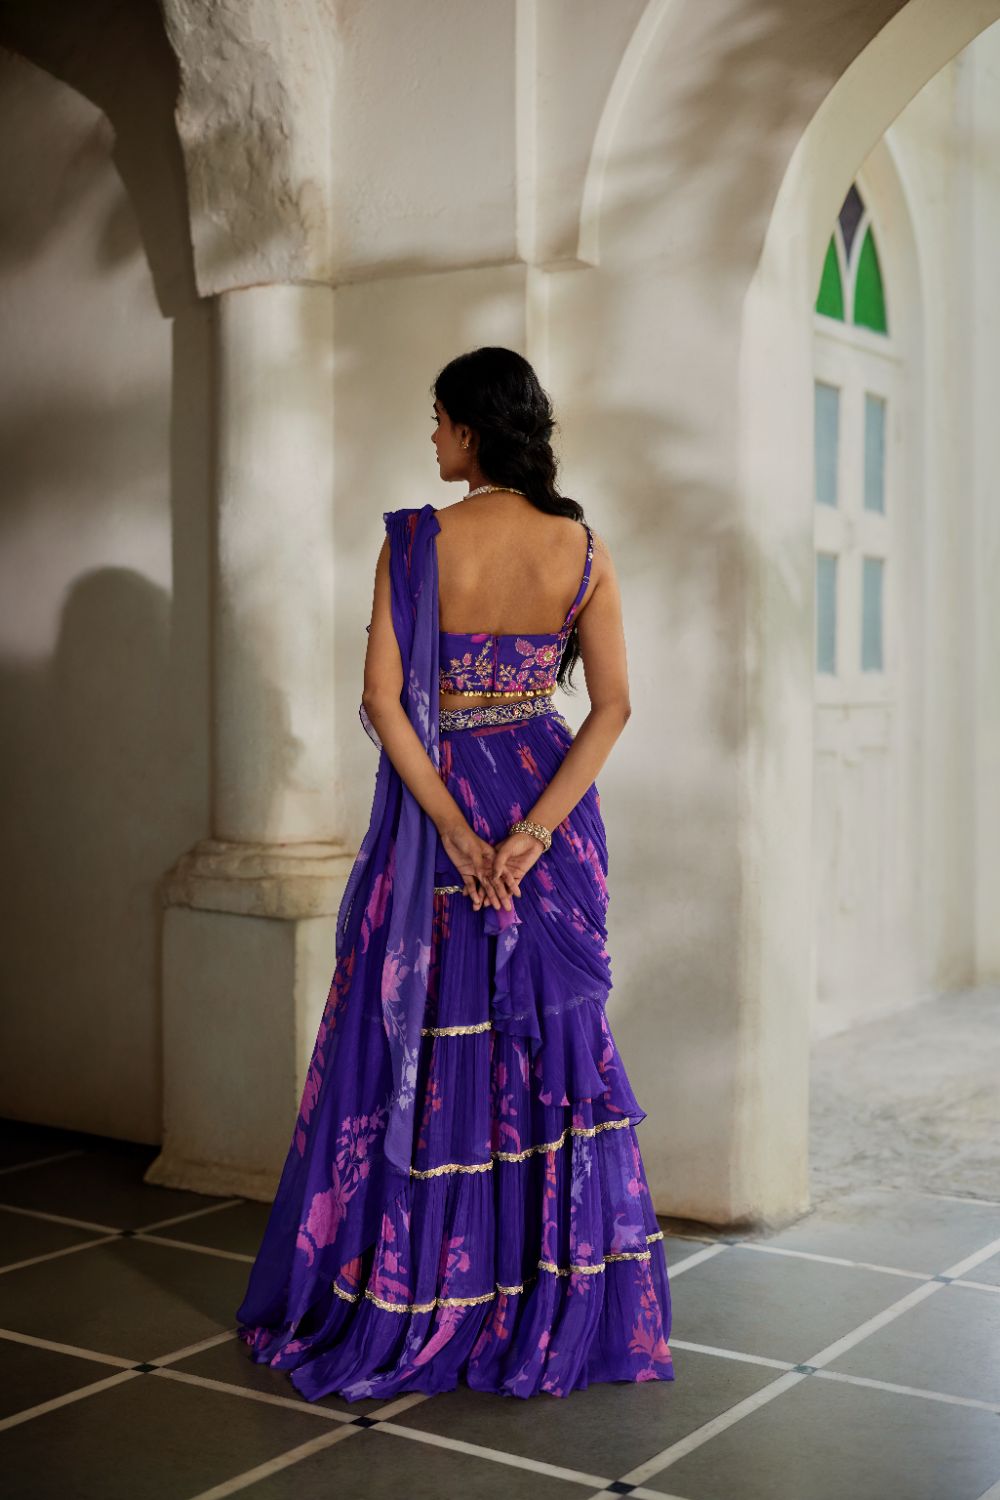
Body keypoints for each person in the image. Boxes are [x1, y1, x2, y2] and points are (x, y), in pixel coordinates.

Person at [235, 346, 674, 1401]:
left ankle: (424, 1292)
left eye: (438, 419)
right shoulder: (582, 548)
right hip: (548, 808)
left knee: (431, 1044)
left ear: (471, 430)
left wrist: (461, 835)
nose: (431, 437)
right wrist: (530, 836)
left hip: (443, 807)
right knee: (545, 1049)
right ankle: (538, 1299)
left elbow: (383, 702)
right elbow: (611, 705)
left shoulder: (416, 543)